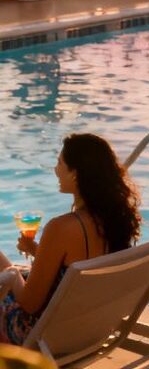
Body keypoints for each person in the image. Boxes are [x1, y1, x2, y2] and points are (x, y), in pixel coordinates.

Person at [0, 134, 140, 345]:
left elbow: (30, 303)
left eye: (59, 163)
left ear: (75, 174)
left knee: (10, 271)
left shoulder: (60, 228)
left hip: (39, 335)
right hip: (89, 327)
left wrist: (12, 276)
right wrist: (36, 250)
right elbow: (77, 267)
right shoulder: (114, 221)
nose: (56, 170)